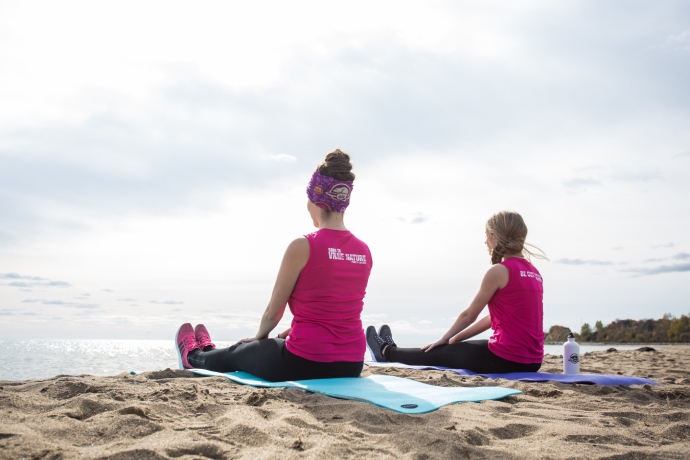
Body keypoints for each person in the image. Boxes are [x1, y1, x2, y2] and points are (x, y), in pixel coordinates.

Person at [176, 149, 373, 381]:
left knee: (239, 352)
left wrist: (260, 336)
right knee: (271, 344)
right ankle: (209, 349)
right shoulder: (363, 251)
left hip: (305, 362)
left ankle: (195, 356)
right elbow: (334, 312)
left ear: (315, 200)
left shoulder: (302, 246)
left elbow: (273, 312)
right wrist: (283, 336)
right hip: (351, 364)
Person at [366, 211, 547, 374]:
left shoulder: (499, 271)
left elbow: (469, 315)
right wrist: (455, 339)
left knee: (436, 352)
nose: (485, 241)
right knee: (448, 348)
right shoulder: (534, 273)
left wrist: (444, 339)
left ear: (493, 235)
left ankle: (386, 351)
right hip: (532, 362)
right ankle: (391, 349)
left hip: (505, 360)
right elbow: (494, 318)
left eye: (486, 235)